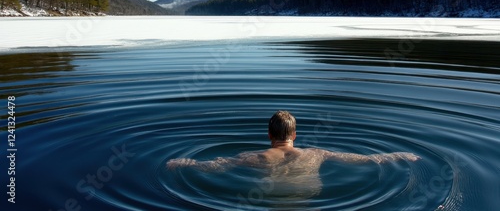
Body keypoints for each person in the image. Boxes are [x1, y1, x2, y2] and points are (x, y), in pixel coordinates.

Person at [167, 110, 420, 172]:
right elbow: (362, 160)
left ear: (269, 136)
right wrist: (394, 156)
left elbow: (215, 166)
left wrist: (186, 163)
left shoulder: (252, 157)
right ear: (295, 136)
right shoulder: (316, 153)